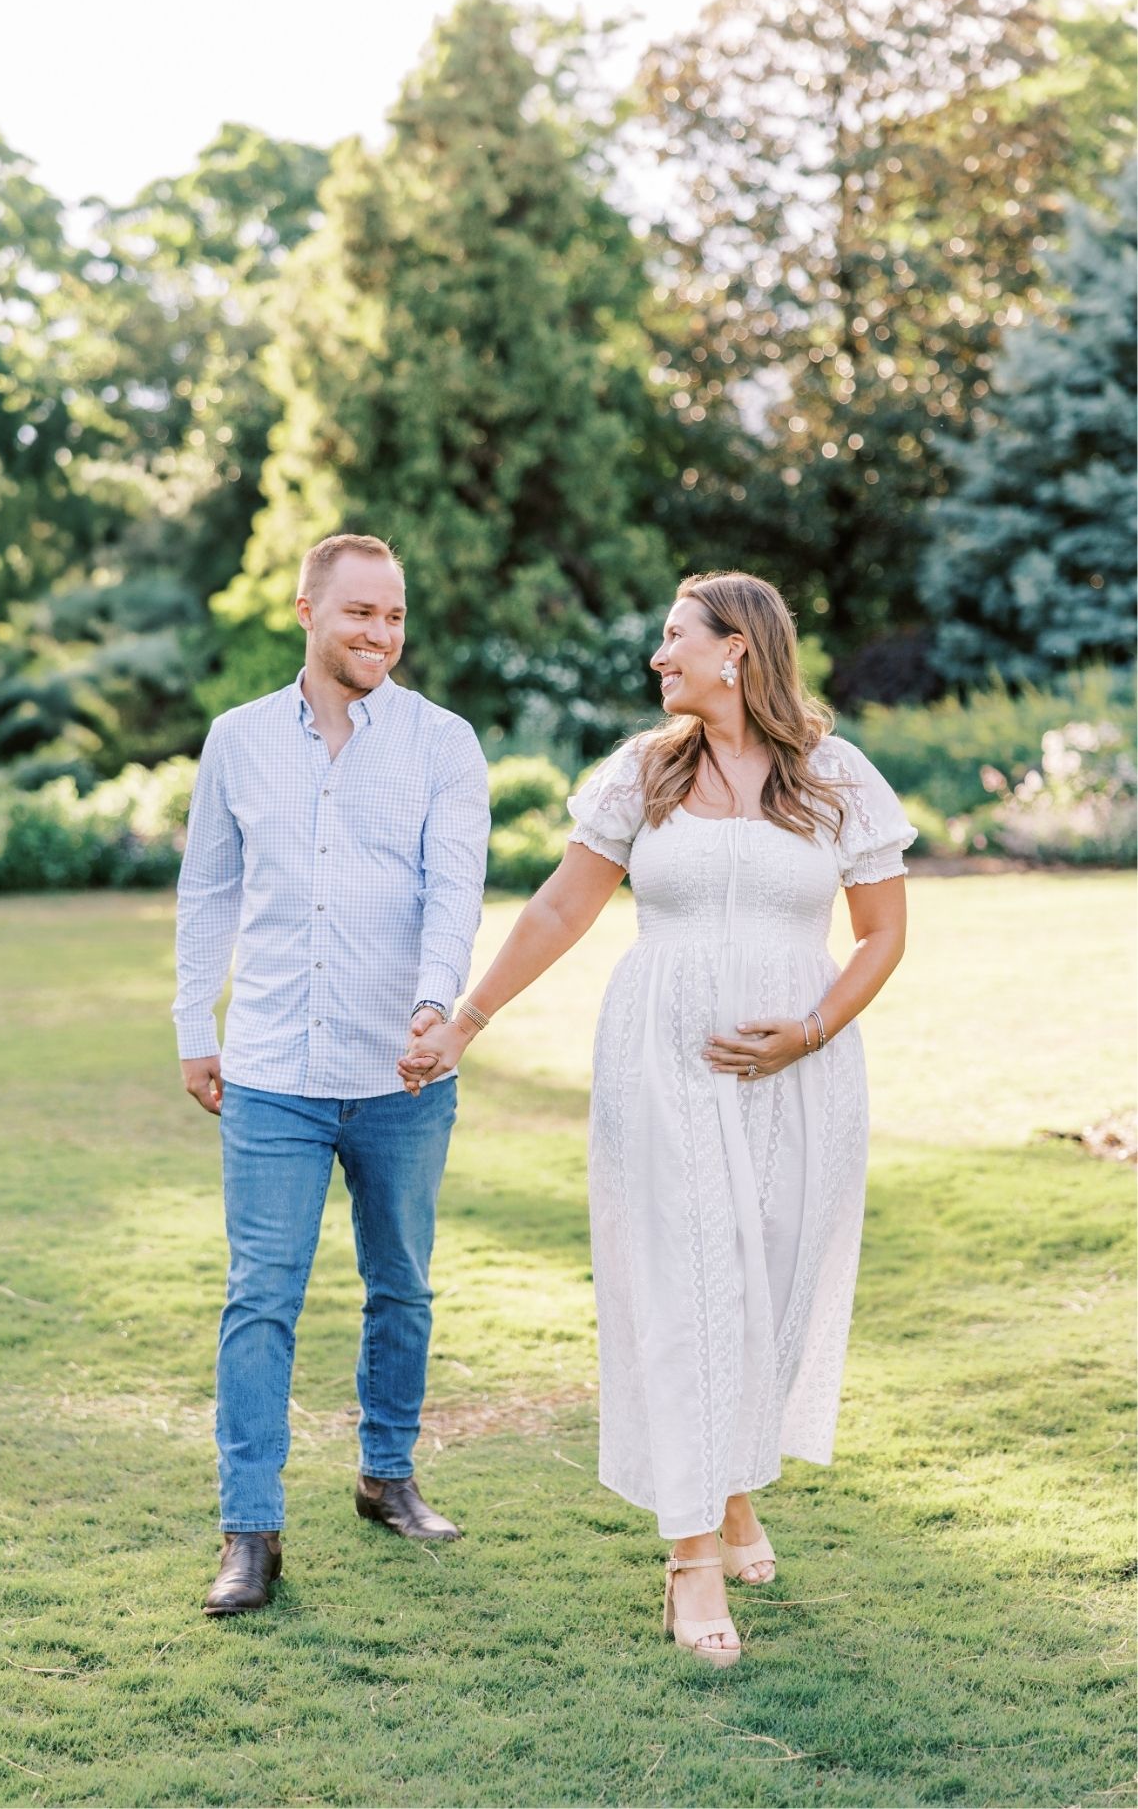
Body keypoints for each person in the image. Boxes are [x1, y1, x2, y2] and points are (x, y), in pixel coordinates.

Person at [399, 570, 916, 1667]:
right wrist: (470, 1018)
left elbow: (878, 934)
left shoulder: (833, 774)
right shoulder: (644, 771)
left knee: (768, 1279)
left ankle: (732, 1487)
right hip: (661, 1060)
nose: (656, 657)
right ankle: (688, 1560)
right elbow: (561, 904)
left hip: (800, 1073)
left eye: (674, 638)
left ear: (737, 649)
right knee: (685, 1285)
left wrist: (810, 1028)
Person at [173, 532, 490, 1617]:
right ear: (306, 612)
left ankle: (385, 1473)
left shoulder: (444, 744)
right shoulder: (238, 739)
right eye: (361, 612)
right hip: (269, 1065)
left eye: (395, 614)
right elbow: (206, 892)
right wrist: (191, 1024)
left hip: (401, 1071)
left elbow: (455, 889)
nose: (382, 634)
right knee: (260, 1295)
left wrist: (436, 1001)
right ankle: (249, 1531)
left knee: (400, 1282)